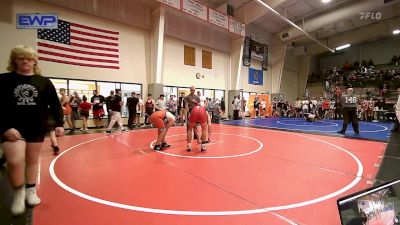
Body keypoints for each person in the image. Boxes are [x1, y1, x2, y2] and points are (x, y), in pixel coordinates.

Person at [0, 45, 64, 215]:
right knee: (15, 161)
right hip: (11, 128)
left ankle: (30, 190)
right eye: (21, 58)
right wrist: (5, 127)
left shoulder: (43, 82)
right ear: (15, 60)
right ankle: (19, 193)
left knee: (33, 160)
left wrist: (59, 123)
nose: (25, 61)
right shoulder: (4, 79)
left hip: (36, 127)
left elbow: (55, 105)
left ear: (34, 60)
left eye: (29, 58)